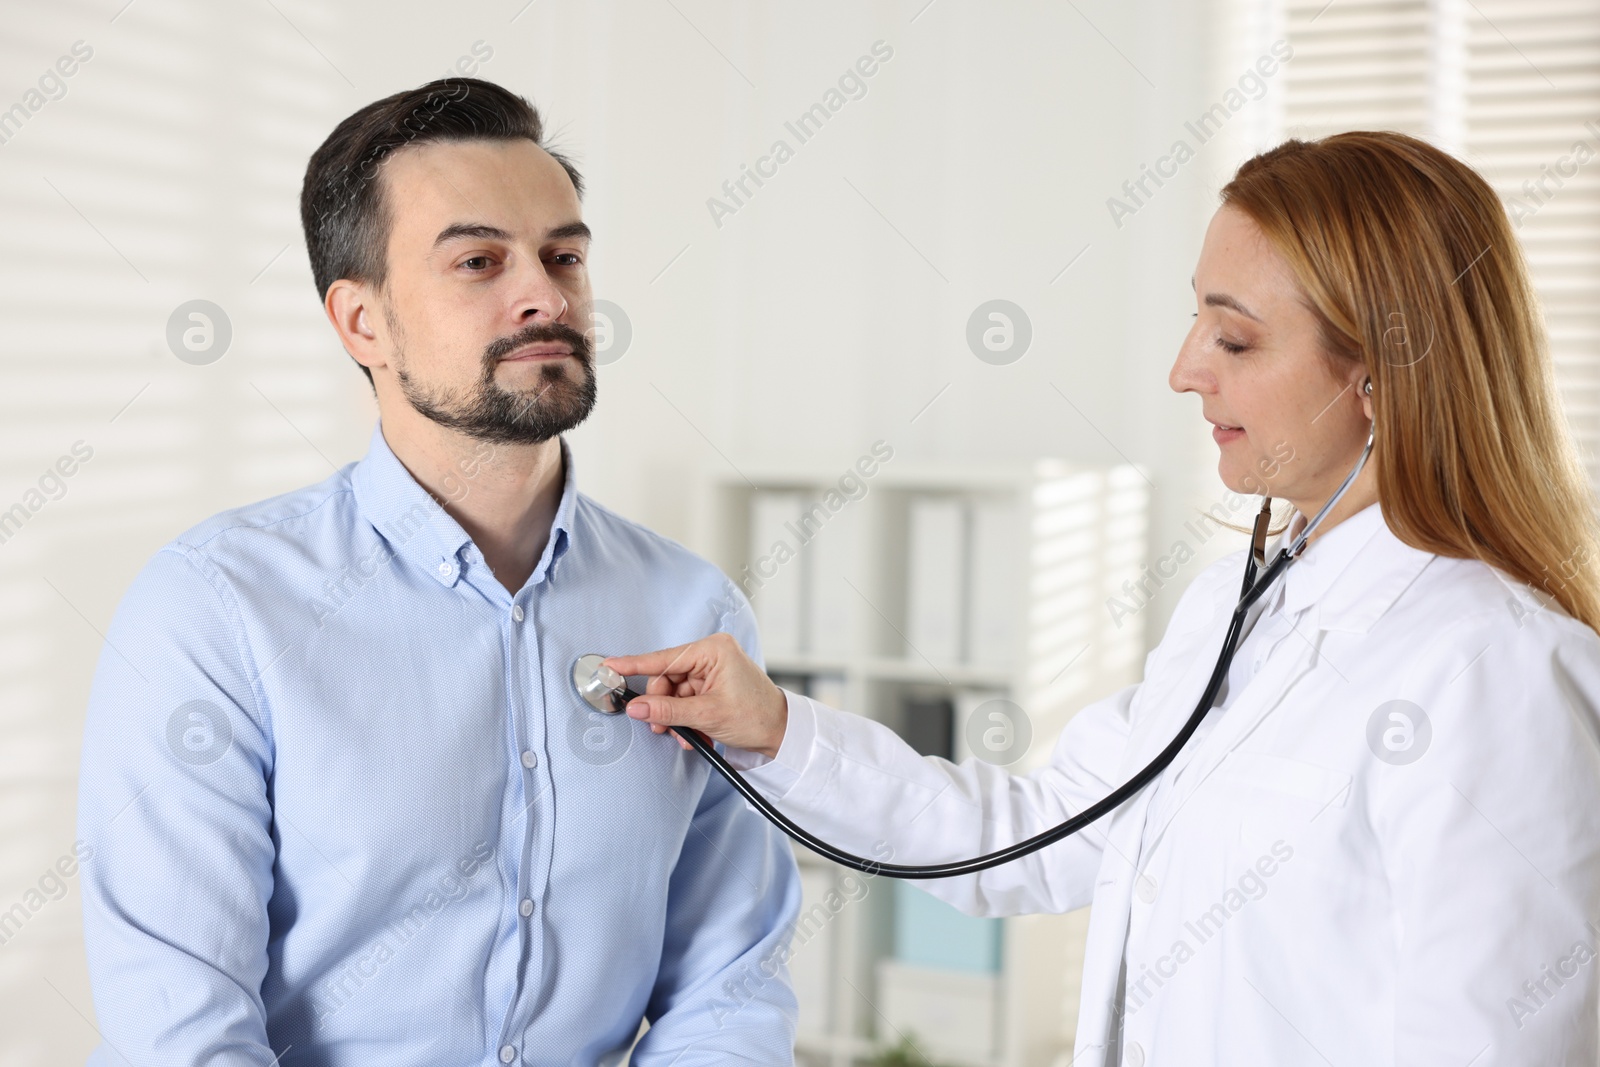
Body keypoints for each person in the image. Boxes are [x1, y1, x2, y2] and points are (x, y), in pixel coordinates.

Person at [604, 131, 1600, 1066]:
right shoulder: (1233, 611)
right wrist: (773, 728)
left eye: (1236, 340)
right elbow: (1033, 835)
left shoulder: (1497, 670)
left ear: (1383, 376)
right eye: (1195, 319)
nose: (1182, 369)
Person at [76, 78, 800, 1066]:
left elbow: (730, 980)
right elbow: (180, 1023)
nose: (546, 292)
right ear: (361, 322)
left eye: (564, 255)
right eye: (478, 260)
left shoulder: (693, 608)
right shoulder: (213, 609)